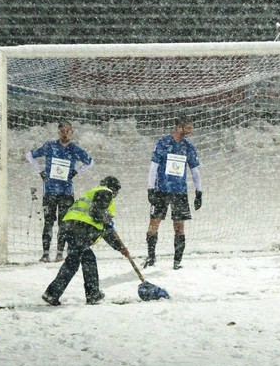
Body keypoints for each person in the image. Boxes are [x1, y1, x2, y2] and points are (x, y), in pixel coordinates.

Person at [41, 176, 129, 306]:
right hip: (80, 229)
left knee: (79, 261)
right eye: (117, 190)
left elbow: (105, 230)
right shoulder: (105, 192)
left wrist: (119, 247)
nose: (116, 194)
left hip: (70, 227)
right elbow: (97, 214)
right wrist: (104, 218)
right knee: (81, 261)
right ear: (113, 188)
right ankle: (88, 294)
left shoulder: (93, 193)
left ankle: (57, 293)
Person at [25, 121, 94, 262]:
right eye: (62, 131)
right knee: (48, 222)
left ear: (72, 133)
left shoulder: (75, 149)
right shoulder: (50, 146)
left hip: (66, 192)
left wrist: (76, 171)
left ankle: (60, 253)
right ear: (58, 132)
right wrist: (41, 172)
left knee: (64, 224)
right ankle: (45, 254)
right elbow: (29, 155)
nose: (65, 133)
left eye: (68, 131)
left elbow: (91, 162)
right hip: (49, 191)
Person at [143, 116, 203, 270]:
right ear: (179, 127)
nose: (191, 130)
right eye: (188, 127)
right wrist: (150, 188)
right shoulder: (163, 143)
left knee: (179, 227)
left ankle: (177, 262)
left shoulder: (188, 147)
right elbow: (153, 166)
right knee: (154, 224)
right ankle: (151, 257)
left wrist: (199, 191)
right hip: (161, 191)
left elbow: (195, 170)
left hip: (180, 192)